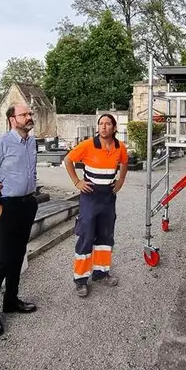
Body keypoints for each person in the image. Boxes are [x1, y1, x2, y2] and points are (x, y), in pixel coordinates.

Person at [0, 102, 39, 336]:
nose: (29, 117)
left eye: (30, 113)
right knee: (2, 259)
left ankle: (11, 300)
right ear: (12, 119)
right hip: (8, 206)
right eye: (24, 114)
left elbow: (31, 170)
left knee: (18, 255)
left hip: (27, 203)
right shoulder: (1, 143)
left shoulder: (32, 142)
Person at [63, 113, 128, 297]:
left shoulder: (119, 147)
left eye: (108, 124)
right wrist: (77, 182)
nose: (104, 127)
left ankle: (101, 272)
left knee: (105, 236)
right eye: (101, 124)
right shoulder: (88, 145)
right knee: (86, 235)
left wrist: (121, 180)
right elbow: (68, 160)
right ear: (97, 127)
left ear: (114, 128)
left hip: (108, 196)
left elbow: (124, 162)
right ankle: (81, 279)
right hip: (90, 195)